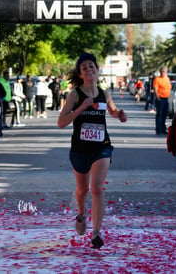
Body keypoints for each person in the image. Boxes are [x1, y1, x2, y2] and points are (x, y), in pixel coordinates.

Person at [57, 53, 127, 249]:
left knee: (96, 187)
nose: (89, 70)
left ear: (97, 69)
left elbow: (112, 111)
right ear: (80, 74)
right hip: (80, 149)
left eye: (91, 66)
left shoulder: (104, 93)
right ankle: (81, 213)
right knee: (83, 189)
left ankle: (96, 233)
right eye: (84, 68)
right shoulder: (75, 95)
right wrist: (81, 108)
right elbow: (61, 122)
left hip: (101, 147)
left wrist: (119, 115)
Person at [153, 67, 172, 135]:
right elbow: (155, 89)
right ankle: (158, 129)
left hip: (166, 99)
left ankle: (163, 129)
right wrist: (158, 98)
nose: (162, 73)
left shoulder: (167, 79)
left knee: (164, 115)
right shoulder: (157, 79)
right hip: (160, 99)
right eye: (161, 71)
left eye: (164, 71)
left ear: (166, 72)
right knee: (159, 114)